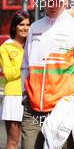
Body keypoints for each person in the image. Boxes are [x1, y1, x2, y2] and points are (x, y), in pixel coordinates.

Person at [21, 0, 74, 148]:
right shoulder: (34, 28)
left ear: (66, 1)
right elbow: (25, 65)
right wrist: (25, 94)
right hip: (32, 111)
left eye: (57, 0)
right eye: (49, 0)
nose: (52, 4)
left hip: (61, 111)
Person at [0, 11, 31, 149]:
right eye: (21, 24)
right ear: (14, 27)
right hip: (14, 97)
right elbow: (8, 74)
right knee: (13, 141)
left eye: (28, 24)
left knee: (32, 139)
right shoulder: (5, 48)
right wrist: (24, 62)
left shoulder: (33, 45)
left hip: (33, 96)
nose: (25, 28)